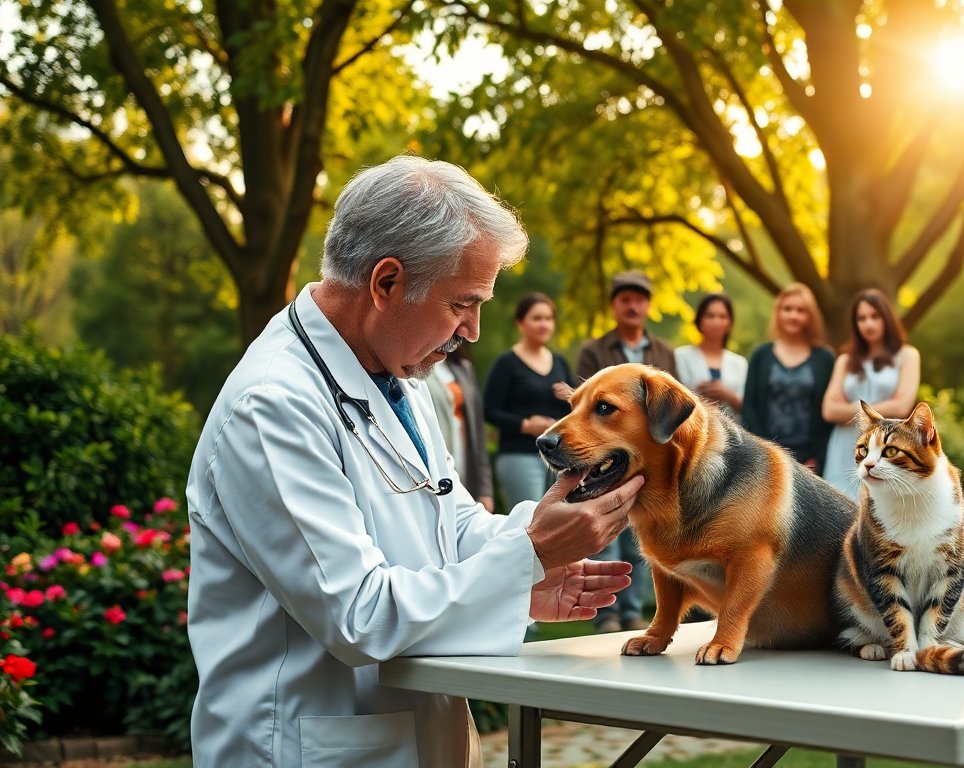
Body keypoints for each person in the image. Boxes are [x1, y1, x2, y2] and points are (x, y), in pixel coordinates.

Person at [185, 155, 644, 768]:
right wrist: (529, 554)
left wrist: (530, 568)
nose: (474, 332)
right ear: (386, 283)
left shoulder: (401, 379)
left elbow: (449, 525)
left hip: (410, 735)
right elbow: (359, 615)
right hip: (308, 747)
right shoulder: (272, 406)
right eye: (463, 304)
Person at [576, 269, 676, 633]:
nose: (632, 306)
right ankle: (607, 614)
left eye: (639, 299)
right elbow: (584, 410)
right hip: (608, 460)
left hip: (651, 463)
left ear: (648, 305)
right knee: (608, 530)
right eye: (625, 299)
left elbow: (669, 412)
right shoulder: (594, 351)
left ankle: (634, 609)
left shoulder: (663, 352)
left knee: (643, 536)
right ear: (615, 306)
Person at [820, 290, 921, 499]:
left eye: (874, 316)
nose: (868, 324)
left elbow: (902, 406)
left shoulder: (907, 355)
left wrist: (849, 410)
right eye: (861, 318)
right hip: (846, 444)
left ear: (886, 318)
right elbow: (829, 410)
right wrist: (883, 406)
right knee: (839, 507)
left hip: (887, 447)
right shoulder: (845, 360)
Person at [483, 292, 575, 512]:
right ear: (520, 323)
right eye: (537, 318)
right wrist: (526, 425)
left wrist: (573, 395)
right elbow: (488, 410)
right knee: (530, 520)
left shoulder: (560, 362)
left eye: (548, 318)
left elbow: (578, 411)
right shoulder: (507, 363)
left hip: (560, 457)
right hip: (519, 455)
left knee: (561, 519)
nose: (544, 324)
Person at [741, 283, 835, 472]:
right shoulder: (761, 354)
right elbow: (749, 406)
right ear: (778, 313)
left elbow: (827, 418)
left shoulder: (824, 358)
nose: (793, 315)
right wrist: (764, 451)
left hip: (810, 463)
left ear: (810, 316)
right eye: (787, 309)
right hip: (766, 458)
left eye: (801, 310)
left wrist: (818, 456)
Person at [428, 347, 494, 511]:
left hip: (464, 452)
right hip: (435, 455)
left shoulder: (462, 367)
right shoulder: (413, 367)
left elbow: (478, 432)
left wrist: (485, 489)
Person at [674, 293, 747, 420]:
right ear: (699, 319)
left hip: (732, 433)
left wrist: (728, 395)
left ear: (730, 322)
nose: (716, 321)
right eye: (710, 315)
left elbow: (749, 408)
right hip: (691, 429)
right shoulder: (681, 356)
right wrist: (697, 395)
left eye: (722, 316)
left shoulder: (739, 363)